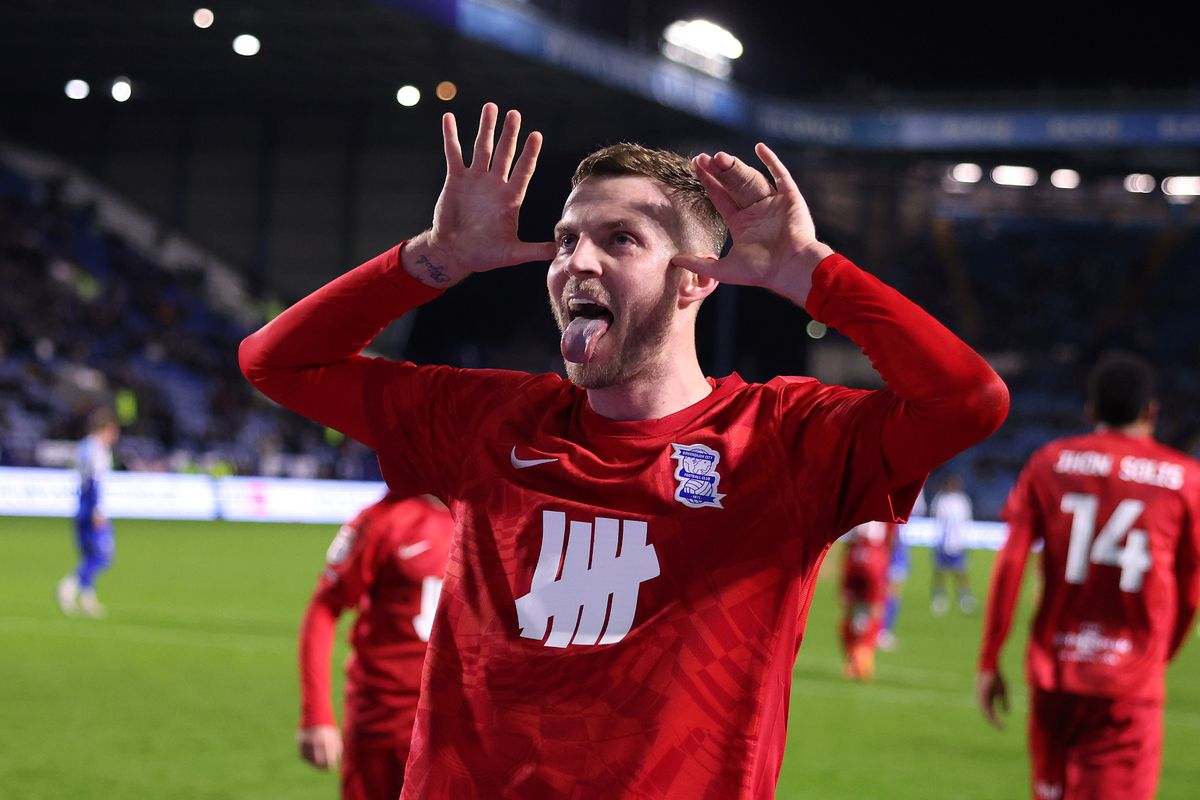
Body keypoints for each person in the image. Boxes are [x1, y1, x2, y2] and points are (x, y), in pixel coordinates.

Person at [240, 103, 1008, 798]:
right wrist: (432, 259)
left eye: (621, 241)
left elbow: (967, 401)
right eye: (568, 239)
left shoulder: (784, 442)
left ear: (696, 280)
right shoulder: (487, 421)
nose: (577, 261)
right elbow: (275, 363)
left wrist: (815, 276)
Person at [977, 352, 1200, 800]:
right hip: (1126, 685)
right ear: (1151, 411)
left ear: (1091, 411)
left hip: (1055, 677)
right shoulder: (1184, 480)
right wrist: (1161, 655)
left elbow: (1011, 564)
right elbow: (1191, 589)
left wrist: (990, 657)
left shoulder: (1050, 463)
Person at [297, 491, 453, 800]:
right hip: (385, 722)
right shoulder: (382, 518)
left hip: (463, 724)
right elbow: (324, 608)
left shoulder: (494, 512)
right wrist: (317, 713)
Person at [57, 407, 120, 618]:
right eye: (114, 431)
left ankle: (87, 599)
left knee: (89, 555)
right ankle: (68, 587)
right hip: (93, 508)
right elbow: (95, 481)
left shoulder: (82, 447)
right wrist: (98, 510)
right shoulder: (98, 450)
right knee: (103, 556)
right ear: (107, 429)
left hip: (81, 506)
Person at [839, 520, 897, 680]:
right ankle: (863, 659)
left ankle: (851, 659)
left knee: (849, 611)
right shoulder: (889, 511)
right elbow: (891, 540)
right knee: (875, 610)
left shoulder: (861, 502)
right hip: (875, 560)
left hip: (854, 558)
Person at [878, 487, 925, 651]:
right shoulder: (903, 490)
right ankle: (881, 632)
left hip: (899, 545)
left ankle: (879, 631)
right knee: (889, 591)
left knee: (889, 591)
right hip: (895, 546)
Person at [930, 474, 976, 615]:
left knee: (961, 571)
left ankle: (965, 598)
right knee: (940, 571)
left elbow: (967, 520)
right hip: (943, 541)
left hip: (958, 541)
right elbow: (937, 519)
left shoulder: (962, 500)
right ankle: (939, 597)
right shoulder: (941, 499)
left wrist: (965, 539)